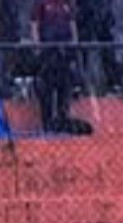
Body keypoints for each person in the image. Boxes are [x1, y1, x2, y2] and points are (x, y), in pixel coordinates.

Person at [31, 0, 80, 133]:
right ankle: (46, 123)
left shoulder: (67, 4)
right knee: (46, 88)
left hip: (64, 51)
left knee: (64, 87)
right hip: (48, 51)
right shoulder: (41, 3)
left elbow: (72, 23)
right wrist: (37, 46)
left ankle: (62, 120)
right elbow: (35, 23)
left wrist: (74, 45)